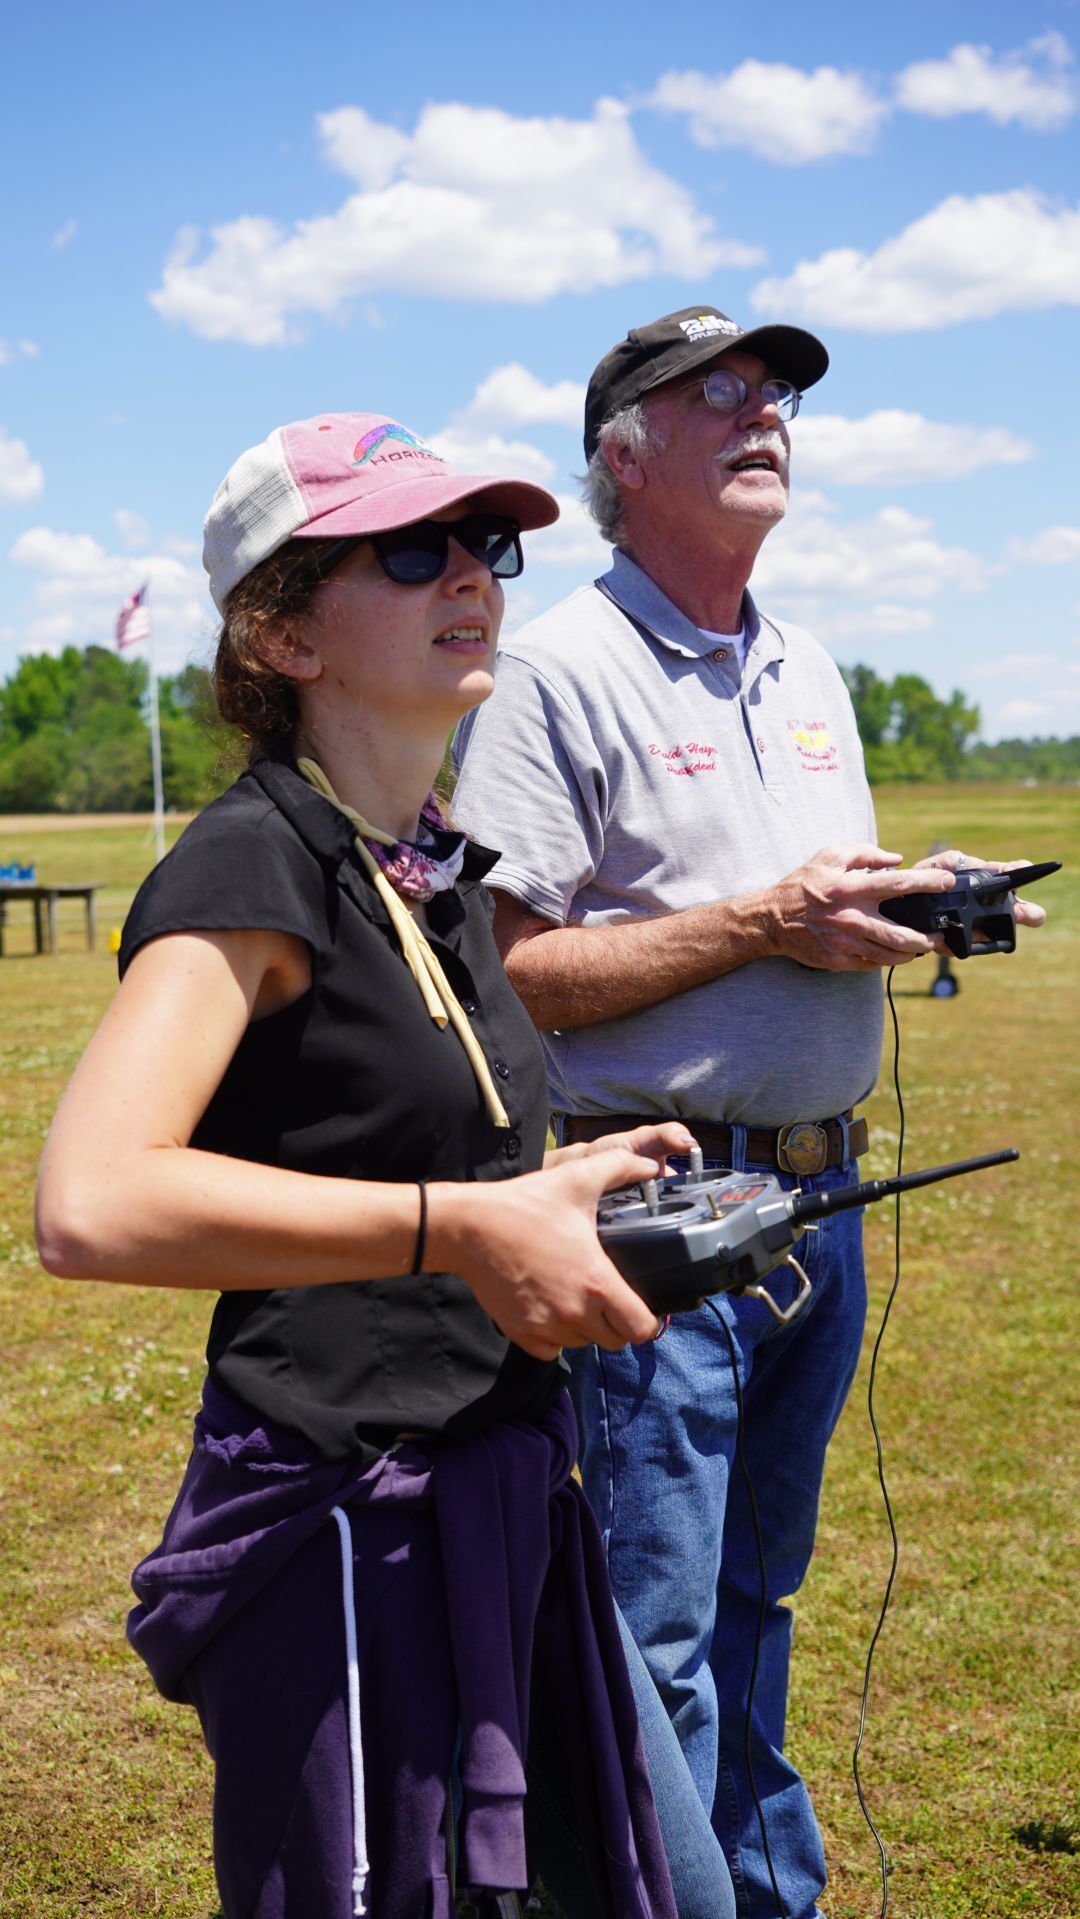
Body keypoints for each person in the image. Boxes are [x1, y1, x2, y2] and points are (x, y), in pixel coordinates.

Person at [35, 410, 741, 1919]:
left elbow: (395, 1131)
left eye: (489, 548)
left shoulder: (429, 862)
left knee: (668, 1885)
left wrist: (572, 1181)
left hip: (508, 1483)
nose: (471, 580)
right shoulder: (251, 862)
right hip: (351, 1518)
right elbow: (91, 1203)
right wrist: (463, 1227)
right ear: (282, 632)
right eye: (410, 552)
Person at [450, 307, 1046, 1919]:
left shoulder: (807, 663)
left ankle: (763, 1892)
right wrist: (764, 926)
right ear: (622, 457)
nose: (762, 410)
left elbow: (792, 897)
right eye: (714, 392)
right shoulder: (553, 672)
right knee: (650, 1629)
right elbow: (506, 973)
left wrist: (908, 906)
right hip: (660, 1218)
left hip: (820, 1209)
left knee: (754, 1603)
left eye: (775, 390)